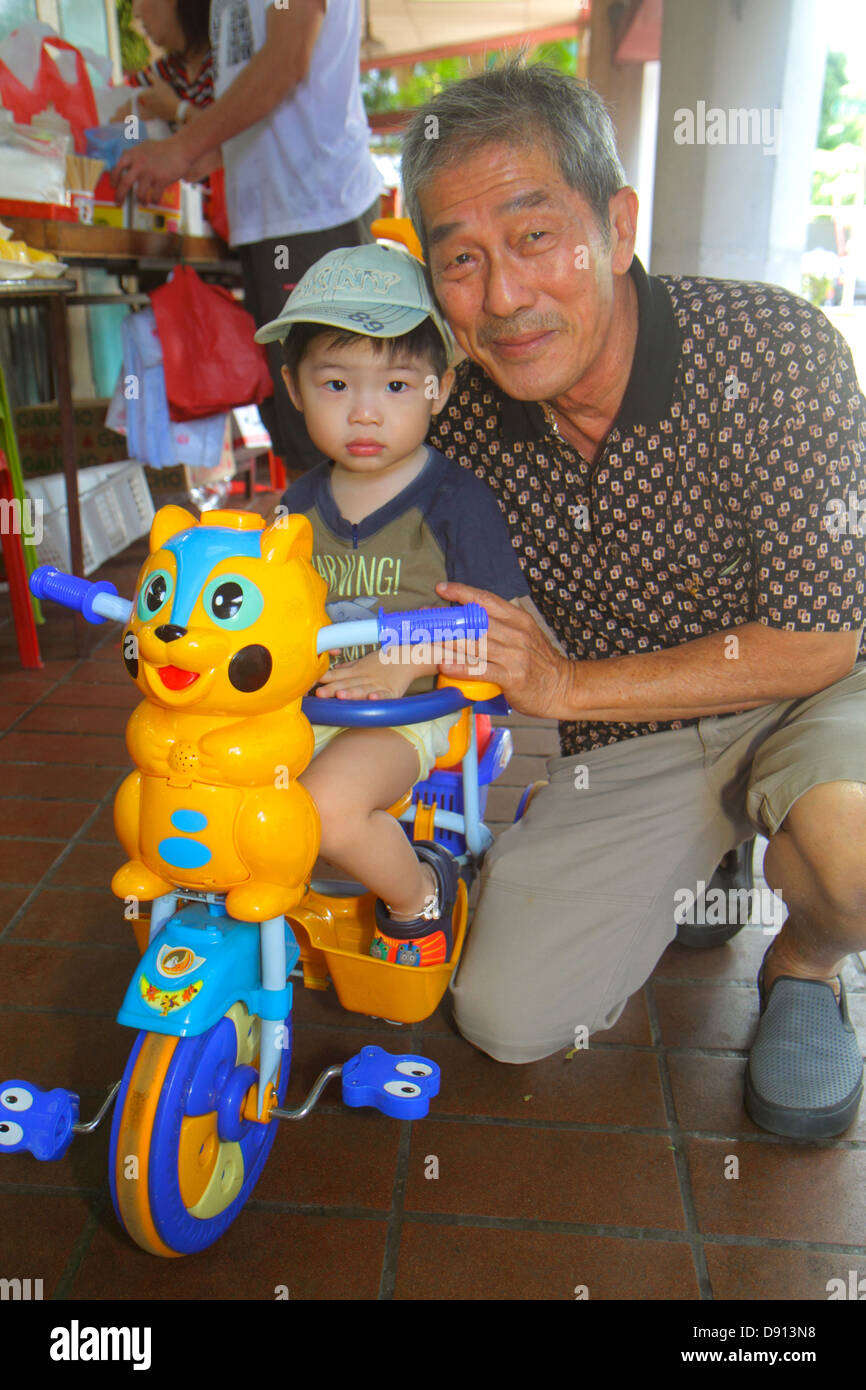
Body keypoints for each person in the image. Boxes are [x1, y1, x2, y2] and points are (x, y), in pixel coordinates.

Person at [394, 59, 866, 1141]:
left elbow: (811, 641)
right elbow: (396, 572)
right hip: (639, 726)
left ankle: (801, 965)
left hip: (809, 689)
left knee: (845, 847)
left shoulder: (770, 350)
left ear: (615, 224)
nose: (502, 297)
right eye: (458, 260)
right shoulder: (466, 424)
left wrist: (559, 685)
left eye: (531, 235)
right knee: (503, 1018)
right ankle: (716, 842)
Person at [255, 243, 531, 961]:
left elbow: (503, 628)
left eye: (399, 387)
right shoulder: (295, 508)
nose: (367, 412)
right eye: (338, 385)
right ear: (295, 387)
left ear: (440, 388)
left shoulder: (456, 503)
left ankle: (418, 899)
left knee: (326, 807)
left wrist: (405, 658)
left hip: (405, 715)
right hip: (301, 705)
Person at [111, 0, 383, 473]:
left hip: (312, 209)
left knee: (333, 426)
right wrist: (211, 152)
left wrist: (183, 146)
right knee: (297, 422)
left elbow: (285, 64)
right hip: (276, 216)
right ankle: (310, 541)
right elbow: (271, 90)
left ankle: (344, 544)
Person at [113, 0, 214, 127]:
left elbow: (230, 141)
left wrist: (178, 110)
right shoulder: (168, 69)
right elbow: (115, 109)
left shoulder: (223, 65)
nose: (135, 13)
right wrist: (129, 122)